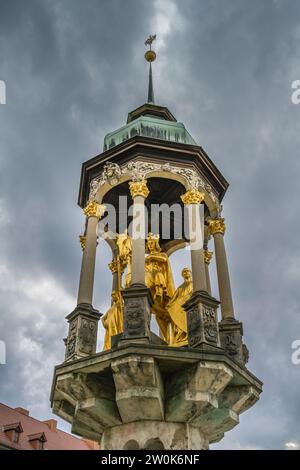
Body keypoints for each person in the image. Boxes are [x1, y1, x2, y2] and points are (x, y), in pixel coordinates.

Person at [145, 233, 175, 342]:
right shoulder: (146, 261)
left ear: (156, 244)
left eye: (152, 243)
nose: (150, 245)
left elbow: (165, 260)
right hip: (149, 284)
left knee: (158, 274)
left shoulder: (162, 255)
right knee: (159, 317)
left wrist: (151, 257)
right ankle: (167, 340)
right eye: (149, 244)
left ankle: (159, 291)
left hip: (160, 282)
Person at [167, 268, 193, 347]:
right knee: (179, 322)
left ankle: (188, 336)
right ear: (182, 275)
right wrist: (169, 305)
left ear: (190, 273)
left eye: (187, 271)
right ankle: (181, 338)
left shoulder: (194, 284)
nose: (186, 273)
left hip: (189, 306)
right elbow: (174, 298)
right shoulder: (180, 287)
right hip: (180, 308)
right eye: (184, 272)